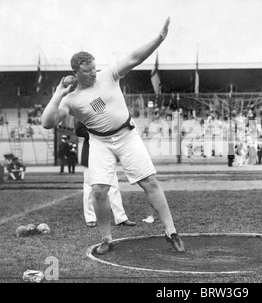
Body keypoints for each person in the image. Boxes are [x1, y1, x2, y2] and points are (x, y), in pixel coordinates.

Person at [41, 17, 184, 254]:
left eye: (94, 68)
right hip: (99, 142)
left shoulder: (107, 75)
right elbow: (48, 123)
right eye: (87, 72)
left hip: (127, 135)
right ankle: (106, 238)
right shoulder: (70, 98)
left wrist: (159, 39)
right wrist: (57, 94)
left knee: (149, 182)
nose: (93, 74)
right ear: (76, 73)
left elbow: (134, 58)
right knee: (98, 191)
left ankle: (171, 231)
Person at [75, 121, 136, 228]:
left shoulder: (109, 110)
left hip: (107, 154)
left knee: (114, 186)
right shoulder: (85, 110)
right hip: (90, 154)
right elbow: (79, 130)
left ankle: (121, 218)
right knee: (89, 188)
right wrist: (99, 132)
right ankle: (91, 218)